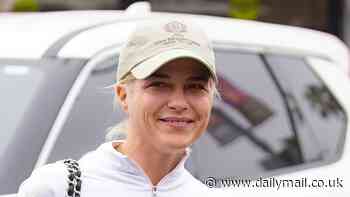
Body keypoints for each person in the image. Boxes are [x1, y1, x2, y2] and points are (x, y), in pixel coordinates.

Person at [18, 19, 227, 197]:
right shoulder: (59, 187)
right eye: (159, 85)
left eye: (196, 87)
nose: (179, 103)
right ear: (123, 95)